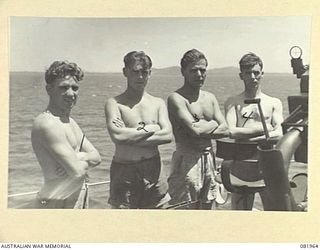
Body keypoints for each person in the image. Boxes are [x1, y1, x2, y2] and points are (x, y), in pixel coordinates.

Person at [104, 51, 172, 209]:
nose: (140, 77)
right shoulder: (114, 103)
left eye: (144, 72)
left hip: (154, 168)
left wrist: (131, 135)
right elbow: (118, 136)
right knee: (125, 223)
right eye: (135, 71)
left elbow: (168, 135)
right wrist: (152, 128)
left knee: (158, 220)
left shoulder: (158, 103)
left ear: (150, 73)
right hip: (125, 170)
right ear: (125, 72)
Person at [31, 61, 101, 209]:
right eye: (63, 87)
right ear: (49, 89)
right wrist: (80, 162)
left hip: (77, 198)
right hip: (56, 202)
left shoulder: (70, 122)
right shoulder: (48, 124)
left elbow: (97, 157)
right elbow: (77, 172)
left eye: (74, 88)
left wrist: (78, 157)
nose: (70, 93)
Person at [167, 49, 229, 209]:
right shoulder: (176, 99)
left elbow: (226, 129)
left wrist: (203, 125)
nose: (199, 74)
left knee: (208, 206)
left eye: (203, 70)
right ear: (183, 72)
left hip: (209, 159)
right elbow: (195, 131)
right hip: (186, 160)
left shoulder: (210, 98)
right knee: (184, 207)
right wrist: (213, 122)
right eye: (194, 70)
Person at [224, 52, 283, 210]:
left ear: (262, 74)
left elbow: (280, 133)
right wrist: (264, 129)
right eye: (248, 73)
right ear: (241, 75)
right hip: (240, 170)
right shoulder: (233, 102)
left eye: (256, 72)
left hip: (267, 169)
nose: (252, 77)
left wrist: (247, 136)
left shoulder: (273, 102)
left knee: (273, 214)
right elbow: (231, 132)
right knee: (240, 218)